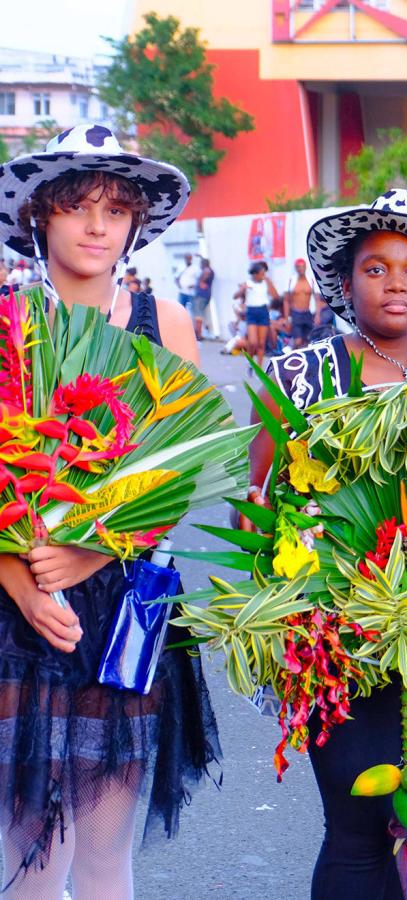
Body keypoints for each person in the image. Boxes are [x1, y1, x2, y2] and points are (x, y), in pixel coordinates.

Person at [0, 123, 219, 898]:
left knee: (101, 853)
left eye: (116, 208)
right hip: (16, 611)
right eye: (77, 205)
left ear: (135, 225)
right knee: (30, 856)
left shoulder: (169, 327)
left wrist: (95, 551)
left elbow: (181, 472)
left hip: (125, 606)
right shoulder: (7, 322)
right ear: (39, 216)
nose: (97, 224)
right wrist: (21, 581)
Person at [245, 188, 407, 899]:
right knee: (354, 824)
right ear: (345, 283)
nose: (396, 282)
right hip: (333, 635)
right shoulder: (298, 376)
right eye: (375, 268)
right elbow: (256, 507)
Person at [234, 260, 279, 367]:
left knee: (261, 343)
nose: (263, 276)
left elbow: (276, 296)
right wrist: (242, 289)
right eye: (262, 274)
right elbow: (235, 296)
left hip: (263, 311)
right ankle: (250, 360)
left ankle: (258, 366)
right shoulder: (247, 283)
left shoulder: (266, 282)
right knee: (253, 341)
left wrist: (269, 283)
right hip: (252, 312)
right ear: (255, 274)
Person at [287, 257, 316, 348]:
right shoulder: (291, 281)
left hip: (307, 313)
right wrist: (286, 317)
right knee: (298, 341)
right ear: (295, 268)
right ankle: (292, 357)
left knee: (308, 341)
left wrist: (318, 314)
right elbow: (286, 300)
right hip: (296, 313)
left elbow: (317, 298)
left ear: (306, 267)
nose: (301, 269)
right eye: (298, 267)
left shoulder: (311, 280)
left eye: (302, 267)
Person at [191, 257, 214, 340]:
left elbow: (204, 278)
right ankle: (198, 334)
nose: (200, 265)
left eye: (201, 263)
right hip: (205, 295)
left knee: (198, 314)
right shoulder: (210, 270)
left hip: (201, 296)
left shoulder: (207, 271)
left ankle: (198, 335)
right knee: (199, 314)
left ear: (204, 264)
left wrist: (200, 281)